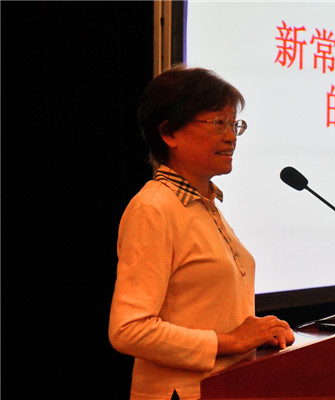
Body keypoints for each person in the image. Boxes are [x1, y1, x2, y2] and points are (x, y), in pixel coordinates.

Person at [109, 65, 295, 400]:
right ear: (169, 133)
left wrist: (260, 332)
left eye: (234, 124)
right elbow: (128, 330)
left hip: (224, 388)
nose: (231, 136)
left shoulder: (204, 205)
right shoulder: (153, 208)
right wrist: (231, 341)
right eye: (218, 123)